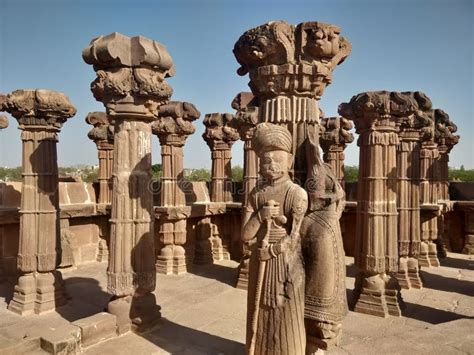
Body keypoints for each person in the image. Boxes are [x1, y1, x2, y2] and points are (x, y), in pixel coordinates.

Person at [242, 123, 308, 355]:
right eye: (265, 160)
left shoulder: (296, 194)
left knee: (284, 309)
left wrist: (270, 251)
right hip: (260, 261)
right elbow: (245, 234)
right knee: (259, 308)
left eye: (276, 159)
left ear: (289, 161)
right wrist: (260, 216)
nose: (270, 164)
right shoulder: (256, 194)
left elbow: (295, 237)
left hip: (284, 262)